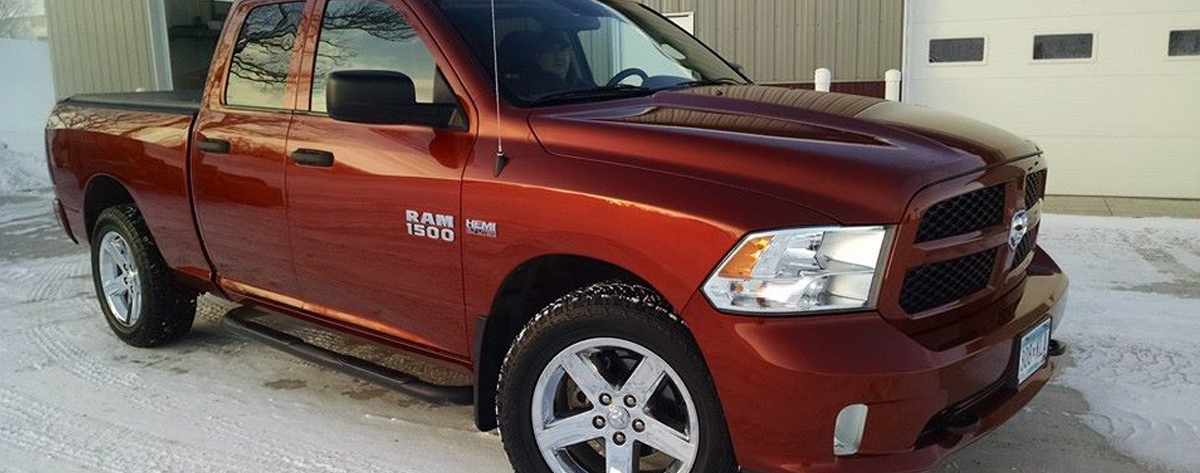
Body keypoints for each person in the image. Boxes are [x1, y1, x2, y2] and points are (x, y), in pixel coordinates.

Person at [502, 29, 593, 99]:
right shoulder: (532, 92)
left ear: (570, 54)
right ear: (538, 58)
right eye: (550, 51)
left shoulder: (579, 85)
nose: (559, 57)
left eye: (563, 50)